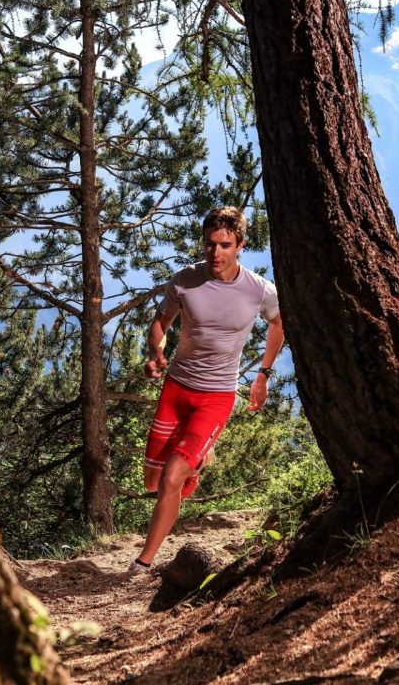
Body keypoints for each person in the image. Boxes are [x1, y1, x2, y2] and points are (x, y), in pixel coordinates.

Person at [129, 206, 283, 574]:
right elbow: (160, 323)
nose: (216, 253)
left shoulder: (259, 291)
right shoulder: (184, 280)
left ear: (240, 245)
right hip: (176, 390)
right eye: (210, 244)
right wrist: (155, 351)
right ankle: (196, 459)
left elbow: (279, 326)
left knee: (171, 478)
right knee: (152, 480)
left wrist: (262, 374)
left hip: (216, 397)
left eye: (225, 245)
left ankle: (143, 563)